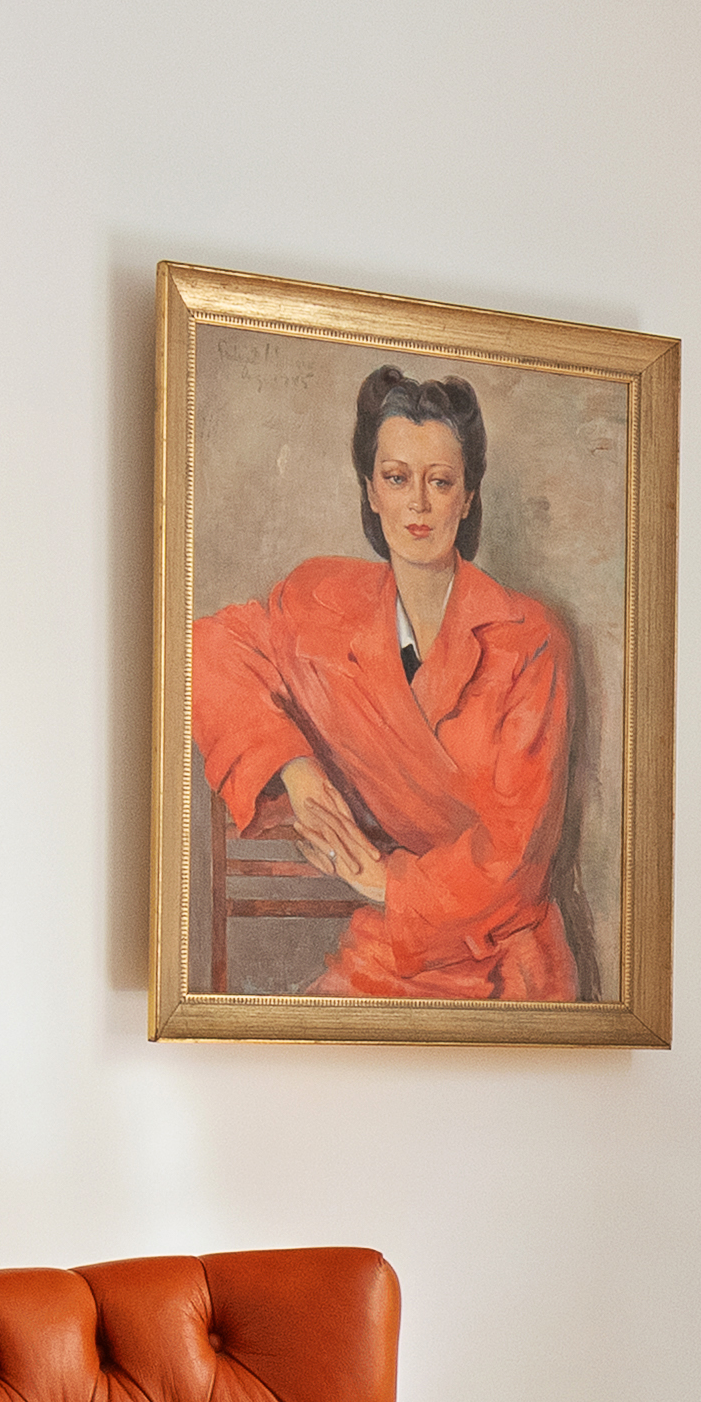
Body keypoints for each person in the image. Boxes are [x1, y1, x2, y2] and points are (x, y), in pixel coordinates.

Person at [188, 361, 582, 1000]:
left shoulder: (529, 640)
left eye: (441, 481)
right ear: (371, 491)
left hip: (504, 956)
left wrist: (383, 882)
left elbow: (516, 860)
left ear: (469, 495)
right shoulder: (321, 602)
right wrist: (294, 767)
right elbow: (210, 647)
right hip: (388, 952)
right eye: (397, 479)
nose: (419, 505)